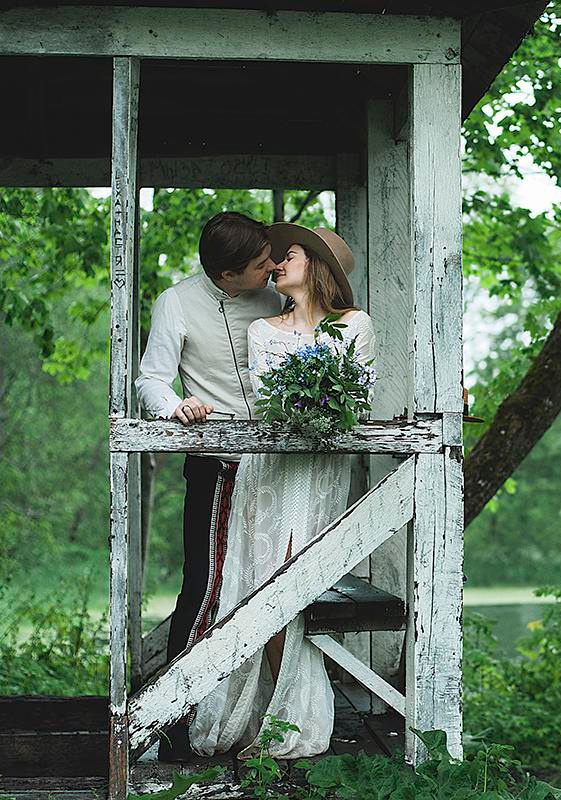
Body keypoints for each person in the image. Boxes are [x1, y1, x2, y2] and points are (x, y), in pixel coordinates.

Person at [189, 223, 375, 759]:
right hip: (268, 472)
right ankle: (279, 717)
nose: (276, 264)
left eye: (288, 255)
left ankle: (299, 718)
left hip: (318, 474)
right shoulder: (262, 331)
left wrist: (323, 402)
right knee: (262, 585)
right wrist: (305, 399)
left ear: (316, 266)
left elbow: (358, 401)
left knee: (297, 587)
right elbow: (271, 401)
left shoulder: (356, 324)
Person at [135, 211, 283, 761]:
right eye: (260, 263)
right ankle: (173, 721)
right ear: (226, 274)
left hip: (279, 467)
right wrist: (176, 406)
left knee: (274, 586)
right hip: (214, 464)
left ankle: (261, 718)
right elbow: (151, 379)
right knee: (203, 586)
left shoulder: (276, 298)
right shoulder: (176, 302)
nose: (271, 266)